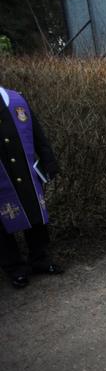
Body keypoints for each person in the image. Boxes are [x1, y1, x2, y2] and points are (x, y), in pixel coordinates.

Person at [0, 87, 62, 289]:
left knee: (35, 214)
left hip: (25, 170)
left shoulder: (16, 98)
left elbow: (36, 132)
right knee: (2, 226)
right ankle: (14, 267)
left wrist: (48, 161)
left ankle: (39, 259)